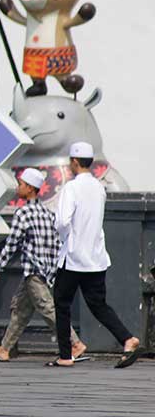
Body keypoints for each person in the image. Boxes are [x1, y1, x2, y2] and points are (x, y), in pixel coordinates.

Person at [48, 142, 141, 368]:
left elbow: (62, 221)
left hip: (73, 257)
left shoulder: (71, 188)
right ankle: (127, 339)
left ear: (74, 162)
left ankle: (65, 355)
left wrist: (65, 238)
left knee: (61, 303)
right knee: (98, 305)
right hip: (96, 257)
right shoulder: (99, 187)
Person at [0, 168, 86, 363]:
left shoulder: (23, 213)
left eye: (21, 184)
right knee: (20, 310)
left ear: (30, 188)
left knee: (48, 309)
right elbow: (57, 243)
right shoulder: (48, 213)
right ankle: (4, 349)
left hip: (33, 271)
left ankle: (75, 343)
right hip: (46, 271)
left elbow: (12, 243)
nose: (18, 187)